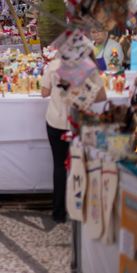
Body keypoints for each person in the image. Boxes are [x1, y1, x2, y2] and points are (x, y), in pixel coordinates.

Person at [41, 56, 106, 222]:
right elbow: (101, 96)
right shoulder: (89, 67)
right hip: (78, 123)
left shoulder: (54, 65)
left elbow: (44, 93)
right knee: (81, 163)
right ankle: (81, 209)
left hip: (56, 121)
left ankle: (59, 212)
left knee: (59, 165)